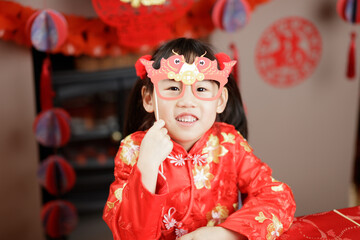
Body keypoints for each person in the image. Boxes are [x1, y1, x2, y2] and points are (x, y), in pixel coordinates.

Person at [103, 38, 296, 240]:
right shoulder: (133, 150)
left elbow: (278, 197)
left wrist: (224, 234)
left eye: (201, 89)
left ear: (220, 101)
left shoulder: (229, 143)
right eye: (173, 88)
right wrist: (147, 166)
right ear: (149, 99)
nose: (187, 101)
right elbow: (130, 235)